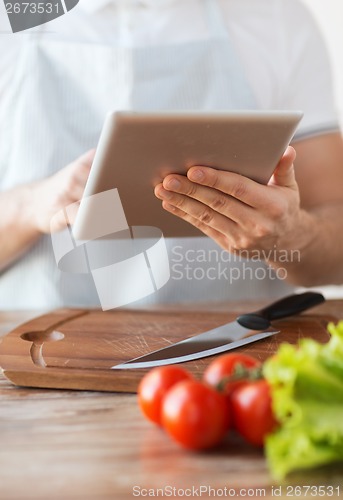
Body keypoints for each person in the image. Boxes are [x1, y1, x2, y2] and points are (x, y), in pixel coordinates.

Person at [1, 0, 343, 310]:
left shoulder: (275, 18)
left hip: (237, 358)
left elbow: (337, 250)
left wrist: (290, 236)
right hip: (36, 358)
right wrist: (28, 205)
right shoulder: (10, 22)